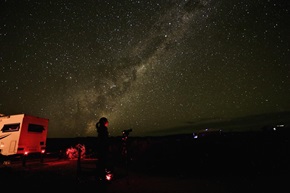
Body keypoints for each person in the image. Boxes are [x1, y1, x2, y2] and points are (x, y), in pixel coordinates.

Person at [96, 117, 110, 181]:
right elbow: (105, 139)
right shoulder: (103, 129)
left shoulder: (100, 129)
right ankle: (102, 177)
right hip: (103, 147)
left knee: (100, 162)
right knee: (103, 162)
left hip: (100, 147)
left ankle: (100, 176)